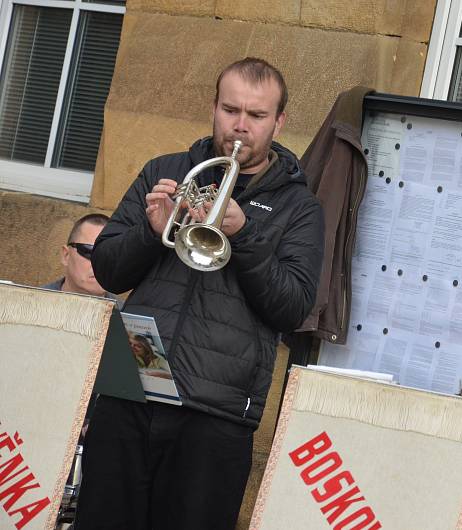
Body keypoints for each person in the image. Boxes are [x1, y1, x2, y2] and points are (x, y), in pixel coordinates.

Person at [75, 57, 324, 530]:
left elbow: (292, 307)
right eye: (231, 110)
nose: (240, 126)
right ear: (213, 107)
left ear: (279, 121)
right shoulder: (165, 170)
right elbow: (106, 271)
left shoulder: (300, 208)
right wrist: (150, 231)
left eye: (256, 116)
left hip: (218, 412)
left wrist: (245, 235)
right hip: (133, 387)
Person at [42, 213, 117, 301]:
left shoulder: (125, 314)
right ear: (66, 255)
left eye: (112, 255)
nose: (101, 263)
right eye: (89, 251)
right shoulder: (30, 306)